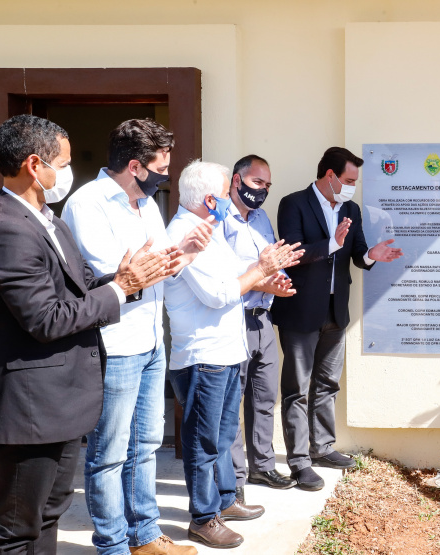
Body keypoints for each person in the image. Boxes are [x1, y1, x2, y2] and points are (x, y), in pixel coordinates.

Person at [0, 115, 174, 553]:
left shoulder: (47, 219)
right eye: (63, 163)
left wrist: (129, 277)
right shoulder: (5, 230)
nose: (68, 173)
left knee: (48, 515)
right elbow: (46, 319)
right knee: (15, 530)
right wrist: (122, 289)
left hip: (60, 403)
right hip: (30, 409)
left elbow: (84, 283)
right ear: (35, 165)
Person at [62, 119, 213, 555]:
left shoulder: (146, 205)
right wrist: (159, 263)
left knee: (144, 446)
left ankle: (145, 537)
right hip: (115, 343)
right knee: (109, 453)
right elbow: (117, 279)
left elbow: (157, 268)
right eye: (161, 167)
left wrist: (186, 252)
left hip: (150, 339)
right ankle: (112, 545)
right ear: (135, 165)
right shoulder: (88, 203)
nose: (166, 174)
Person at [164, 160, 300, 549]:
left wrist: (265, 277)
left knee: (224, 434)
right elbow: (220, 293)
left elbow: (233, 276)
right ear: (210, 199)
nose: (230, 200)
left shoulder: (209, 230)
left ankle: (225, 501)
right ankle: (203, 518)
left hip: (226, 351)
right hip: (202, 356)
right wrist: (261, 267)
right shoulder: (186, 235)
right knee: (203, 441)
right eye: (225, 194)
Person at [273, 147, 403, 491]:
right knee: (296, 390)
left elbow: (357, 253)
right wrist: (332, 242)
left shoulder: (350, 208)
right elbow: (294, 253)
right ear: (329, 175)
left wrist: (370, 255)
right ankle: (299, 462)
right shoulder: (294, 203)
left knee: (328, 384)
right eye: (347, 180)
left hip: (336, 310)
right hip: (300, 311)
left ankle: (322, 447)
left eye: (354, 182)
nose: (352, 188)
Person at [222, 155, 298, 502]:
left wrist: (280, 281)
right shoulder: (218, 218)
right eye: (257, 183)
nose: (263, 191)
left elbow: (271, 261)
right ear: (237, 180)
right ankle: (234, 480)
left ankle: (263, 465)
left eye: (267, 185)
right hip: (232, 318)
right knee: (231, 402)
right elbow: (225, 272)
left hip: (262, 318)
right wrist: (264, 280)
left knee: (264, 396)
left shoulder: (263, 218)